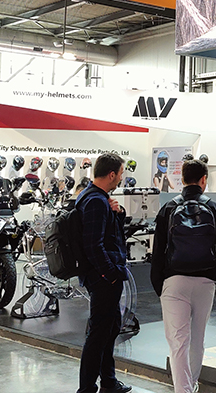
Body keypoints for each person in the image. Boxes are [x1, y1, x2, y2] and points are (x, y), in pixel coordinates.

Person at [151, 159, 216, 393]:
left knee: (178, 342)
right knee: (198, 340)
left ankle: (183, 390)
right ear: (203, 180)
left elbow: (158, 252)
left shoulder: (168, 208)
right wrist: (215, 276)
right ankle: (192, 385)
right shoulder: (215, 209)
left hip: (174, 282)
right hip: (205, 282)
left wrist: (160, 285)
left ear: (182, 180)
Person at [77, 153, 131, 393]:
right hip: (102, 277)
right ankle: (87, 388)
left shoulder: (94, 197)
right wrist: (110, 273)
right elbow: (93, 245)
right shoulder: (96, 201)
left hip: (103, 275)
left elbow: (107, 236)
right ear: (111, 175)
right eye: (120, 174)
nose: (120, 178)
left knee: (109, 329)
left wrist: (118, 214)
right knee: (99, 334)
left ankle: (108, 381)